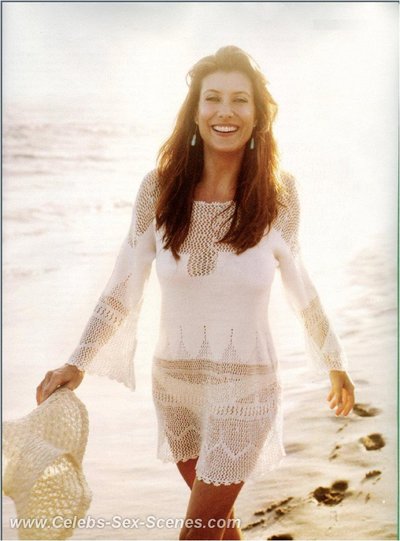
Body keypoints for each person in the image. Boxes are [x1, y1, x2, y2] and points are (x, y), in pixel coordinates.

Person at [36, 45, 355, 540]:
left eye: (240, 100)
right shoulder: (159, 189)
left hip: (246, 389)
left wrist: (333, 359)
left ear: (258, 115)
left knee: (197, 532)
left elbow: (301, 285)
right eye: (213, 98)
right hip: (176, 387)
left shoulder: (279, 195)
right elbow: (122, 286)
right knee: (218, 526)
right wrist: (78, 362)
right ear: (195, 111)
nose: (225, 111)